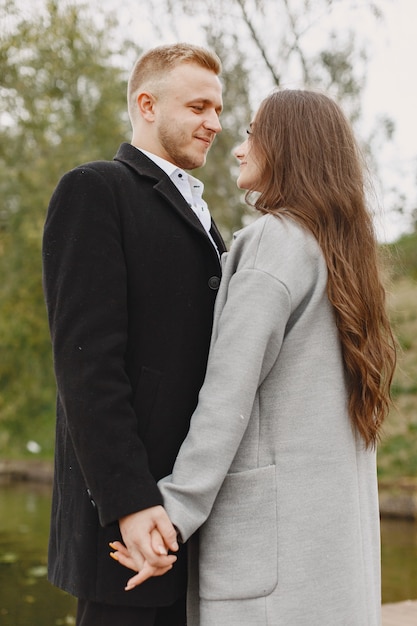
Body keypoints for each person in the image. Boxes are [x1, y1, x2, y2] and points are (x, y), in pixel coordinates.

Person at [111, 89, 397, 625]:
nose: (239, 148)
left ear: (287, 146)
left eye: (251, 133)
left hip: (270, 569)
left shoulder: (274, 244)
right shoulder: (342, 253)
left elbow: (226, 398)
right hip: (329, 561)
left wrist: (172, 514)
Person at [42, 42, 226, 626]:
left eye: (218, 110)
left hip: (190, 510)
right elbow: (85, 364)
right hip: (130, 522)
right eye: (198, 107)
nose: (214, 123)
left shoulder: (204, 213)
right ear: (147, 104)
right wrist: (130, 501)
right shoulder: (96, 190)